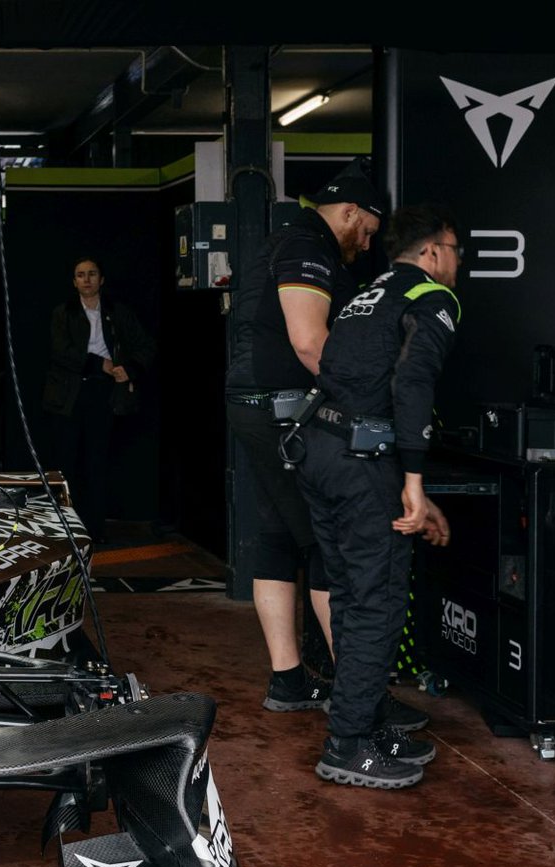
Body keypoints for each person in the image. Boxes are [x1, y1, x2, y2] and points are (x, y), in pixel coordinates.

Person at [294, 204, 461, 789]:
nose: (457, 262)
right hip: (363, 462)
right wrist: (412, 481)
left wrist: (408, 484)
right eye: (455, 250)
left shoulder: (368, 294)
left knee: (349, 596)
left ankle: (362, 723)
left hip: (319, 450)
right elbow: (412, 383)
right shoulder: (432, 298)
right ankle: (348, 744)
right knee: (378, 603)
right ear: (433, 251)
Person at [223, 163, 383, 715]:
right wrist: (367, 402)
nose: (366, 245)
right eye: (367, 231)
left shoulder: (285, 241)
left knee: (277, 537)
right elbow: (311, 343)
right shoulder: (307, 247)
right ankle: (360, 702)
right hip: (281, 411)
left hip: (259, 407)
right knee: (324, 539)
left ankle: (289, 681)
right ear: (350, 212)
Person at [38, 255, 156, 542]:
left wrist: (129, 369)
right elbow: (61, 352)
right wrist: (97, 363)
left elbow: (145, 346)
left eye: (92, 274)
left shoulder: (118, 312)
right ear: (74, 281)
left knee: (97, 461)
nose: (87, 279)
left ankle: (94, 529)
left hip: (103, 393)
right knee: (66, 462)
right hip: (68, 395)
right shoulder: (63, 312)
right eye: (81, 275)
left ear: (101, 279)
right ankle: (65, 527)